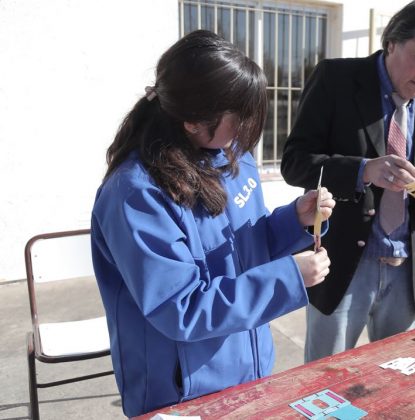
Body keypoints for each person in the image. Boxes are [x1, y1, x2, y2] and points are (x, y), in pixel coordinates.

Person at [90, 30, 334, 417]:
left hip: (248, 368)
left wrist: (296, 221)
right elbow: (180, 307)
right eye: (241, 116)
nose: (248, 128)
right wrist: (289, 278)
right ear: (192, 121)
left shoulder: (232, 157)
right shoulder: (136, 194)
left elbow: (247, 246)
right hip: (183, 391)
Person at [281, 0, 415, 362]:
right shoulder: (336, 79)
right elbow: (295, 163)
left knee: (396, 377)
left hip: (406, 265)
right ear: (391, 42)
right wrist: (364, 170)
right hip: (344, 264)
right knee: (325, 381)